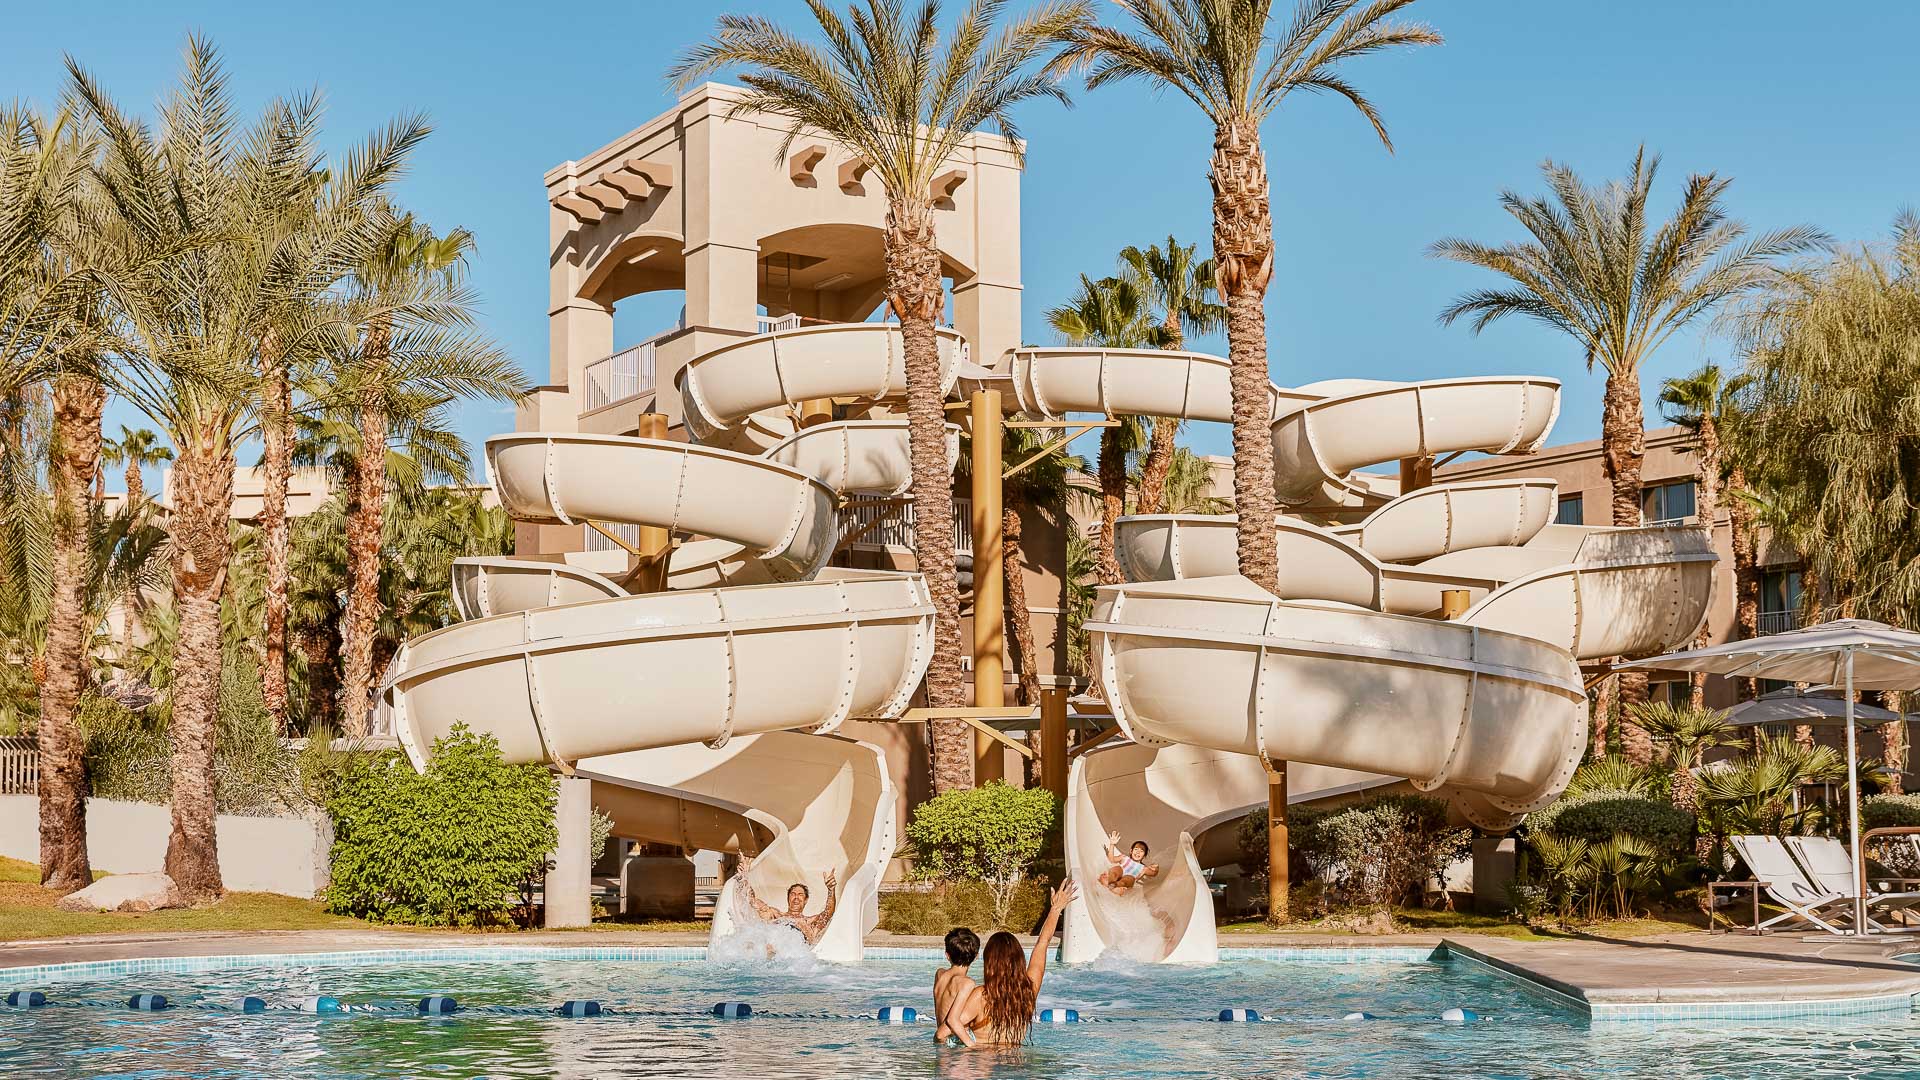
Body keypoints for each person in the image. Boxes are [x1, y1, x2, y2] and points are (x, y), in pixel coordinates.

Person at [951, 879, 1078, 1047]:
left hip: (983, 1064)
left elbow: (948, 1029)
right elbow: (1043, 943)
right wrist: (1055, 909)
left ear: (989, 961)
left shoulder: (980, 996)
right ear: (1019, 959)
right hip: (1018, 1063)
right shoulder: (1028, 990)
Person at [735, 855, 836, 947]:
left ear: (806, 900)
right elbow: (752, 900)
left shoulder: (810, 922)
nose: (796, 897)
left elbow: (828, 914)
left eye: (800, 895)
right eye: (793, 894)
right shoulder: (776, 915)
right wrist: (744, 877)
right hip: (776, 943)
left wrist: (831, 890)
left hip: (796, 945)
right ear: (788, 899)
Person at [933, 927, 981, 1046]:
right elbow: (952, 1020)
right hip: (957, 1040)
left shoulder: (939, 974)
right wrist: (972, 1046)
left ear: (947, 955)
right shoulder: (966, 983)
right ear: (976, 957)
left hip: (942, 1042)